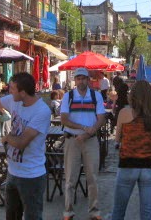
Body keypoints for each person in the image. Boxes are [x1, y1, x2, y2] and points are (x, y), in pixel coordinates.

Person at [0, 72, 51, 220]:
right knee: (12, 216)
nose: (9, 91)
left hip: (31, 175)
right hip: (13, 172)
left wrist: (7, 137)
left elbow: (21, 142)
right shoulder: (14, 101)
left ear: (23, 92)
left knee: (32, 217)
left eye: (12, 88)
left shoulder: (42, 111)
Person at [111, 80, 151, 220]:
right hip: (150, 165)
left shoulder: (124, 113)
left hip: (128, 163)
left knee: (118, 211)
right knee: (146, 212)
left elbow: (117, 139)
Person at [60, 68, 106, 220]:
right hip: (72, 140)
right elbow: (64, 119)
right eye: (78, 78)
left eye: (83, 78)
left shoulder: (95, 96)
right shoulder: (68, 96)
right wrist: (83, 128)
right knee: (70, 179)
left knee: (93, 178)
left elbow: (101, 118)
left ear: (88, 80)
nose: (81, 81)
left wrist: (86, 134)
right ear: (75, 80)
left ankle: (94, 211)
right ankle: (68, 211)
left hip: (90, 140)